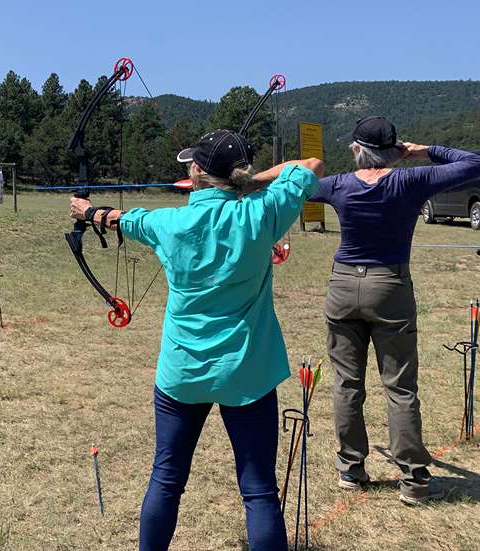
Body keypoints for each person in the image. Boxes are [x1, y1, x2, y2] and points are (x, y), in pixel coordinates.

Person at [70, 129, 323, 551]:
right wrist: (253, 182)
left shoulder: (171, 222)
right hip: (246, 373)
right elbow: (309, 167)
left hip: (183, 373)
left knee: (167, 479)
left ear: (199, 171)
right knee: (259, 491)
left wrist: (90, 212)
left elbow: (125, 219)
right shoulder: (261, 214)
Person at [308, 116, 480, 505]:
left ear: (356, 149)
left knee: (346, 383)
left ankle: (351, 468)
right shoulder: (412, 180)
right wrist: (427, 151)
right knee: (400, 386)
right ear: (395, 150)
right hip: (389, 285)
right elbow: (473, 163)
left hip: (343, 283)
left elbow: (292, 188)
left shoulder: (338, 184)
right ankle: (413, 478)